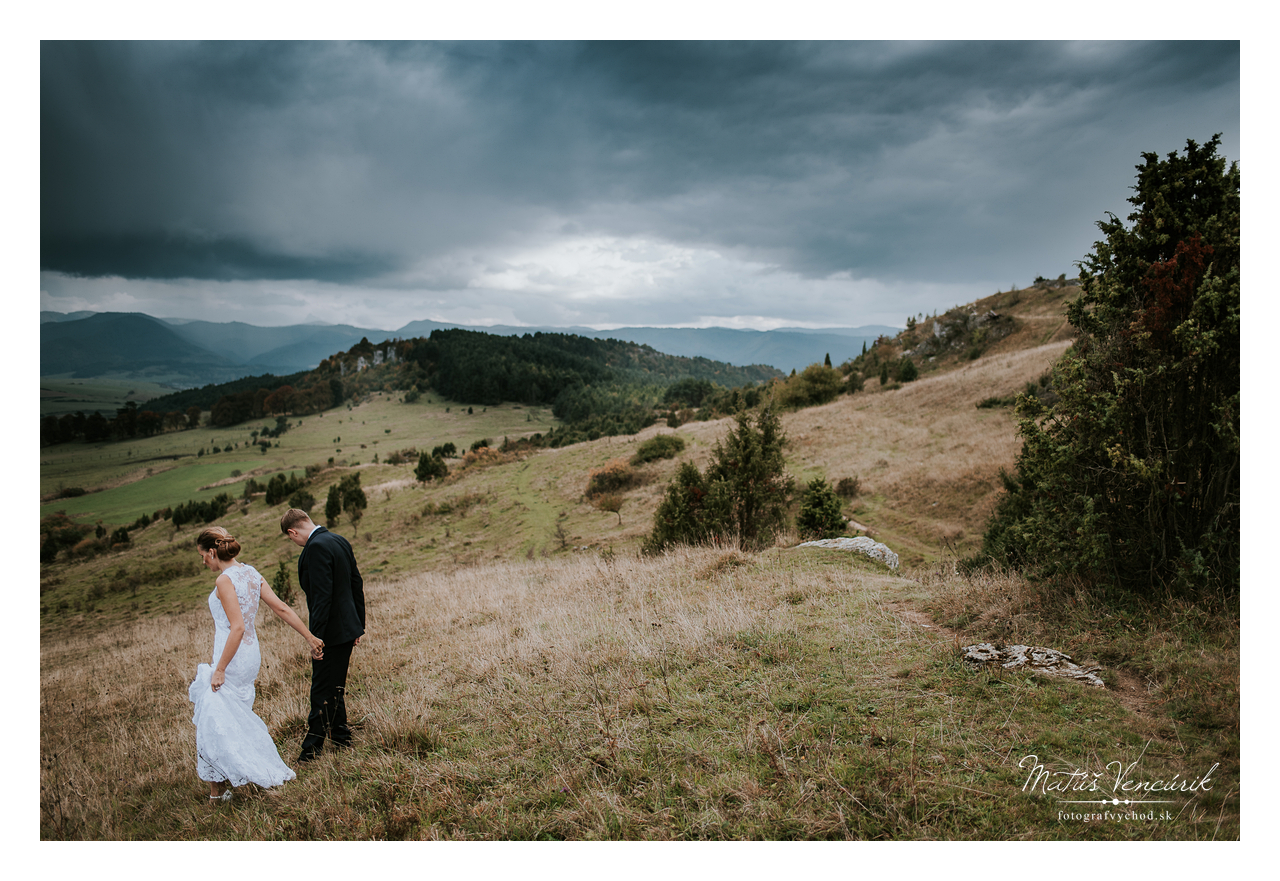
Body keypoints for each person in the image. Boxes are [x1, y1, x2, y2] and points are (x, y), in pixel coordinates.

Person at [188, 526, 324, 802]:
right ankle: (220, 787)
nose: (203, 561)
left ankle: (225, 787)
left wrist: (220, 669)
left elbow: (236, 628)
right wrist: (309, 636)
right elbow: (281, 608)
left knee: (214, 716)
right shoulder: (251, 572)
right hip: (250, 654)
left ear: (212, 552)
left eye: (203, 555)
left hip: (233, 656)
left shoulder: (224, 581)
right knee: (230, 715)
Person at [280, 508, 366, 763]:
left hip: (329, 631)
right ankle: (341, 736)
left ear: (292, 531)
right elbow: (356, 584)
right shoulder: (339, 539)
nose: (295, 543)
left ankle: (311, 749)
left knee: (321, 687)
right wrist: (357, 625)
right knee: (335, 683)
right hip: (346, 628)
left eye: (291, 539)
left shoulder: (316, 547)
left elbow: (321, 597)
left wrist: (314, 637)